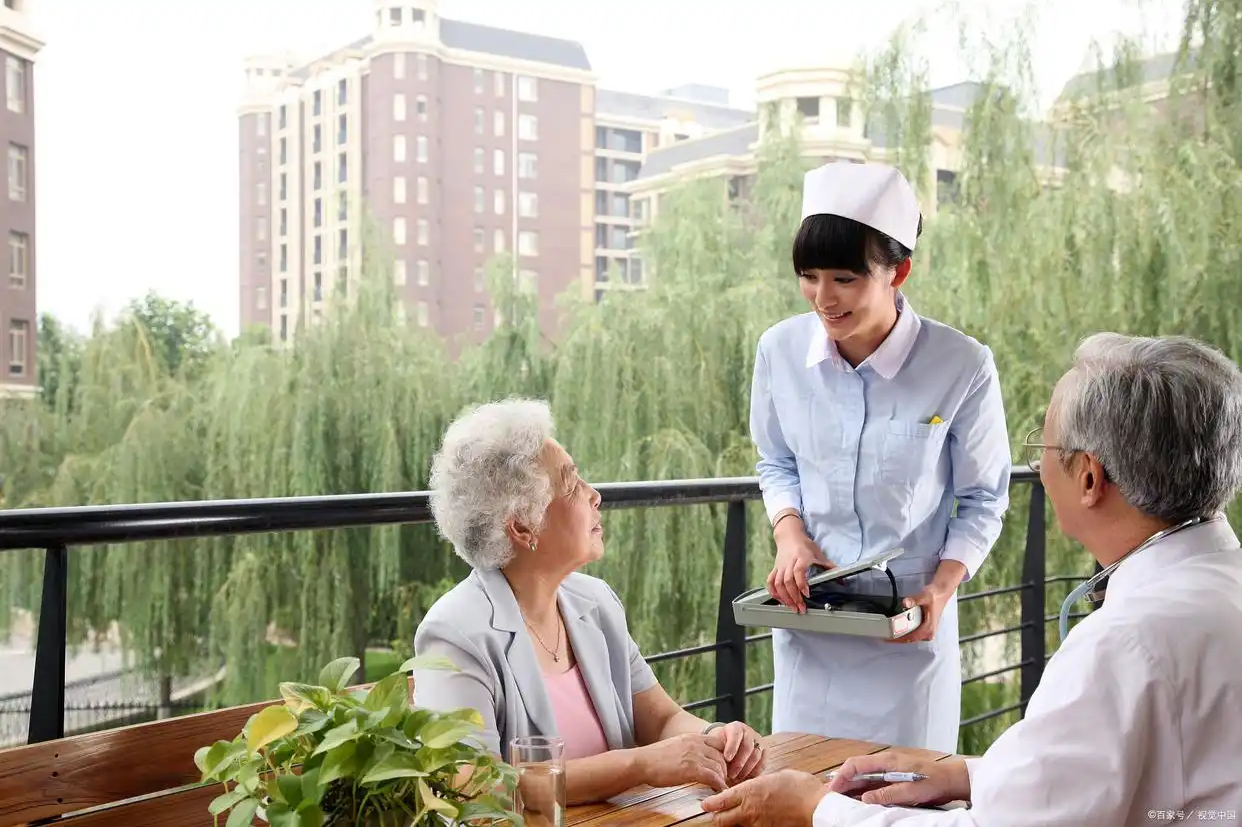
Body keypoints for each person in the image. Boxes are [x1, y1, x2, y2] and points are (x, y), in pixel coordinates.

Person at [702, 332, 1242, 826]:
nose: (1038, 470)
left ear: (1089, 478)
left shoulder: (1122, 644)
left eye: (1043, 450)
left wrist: (815, 809)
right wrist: (969, 774)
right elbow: (1102, 776)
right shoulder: (1213, 590)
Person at [749, 161, 1011, 752]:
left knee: (901, 790)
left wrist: (941, 590)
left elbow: (983, 498)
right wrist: (789, 535)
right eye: (809, 276)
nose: (823, 298)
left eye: (844, 278)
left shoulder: (961, 365)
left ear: (899, 271)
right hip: (811, 619)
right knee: (801, 784)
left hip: (907, 629)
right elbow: (777, 462)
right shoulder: (778, 351)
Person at [412, 398, 766, 805]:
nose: (593, 495)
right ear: (523, 526)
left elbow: (661, 719)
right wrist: (639, 765)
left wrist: (714, 738)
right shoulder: (454, 634)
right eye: (572, 484)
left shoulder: (595, 601)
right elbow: (475, 786)